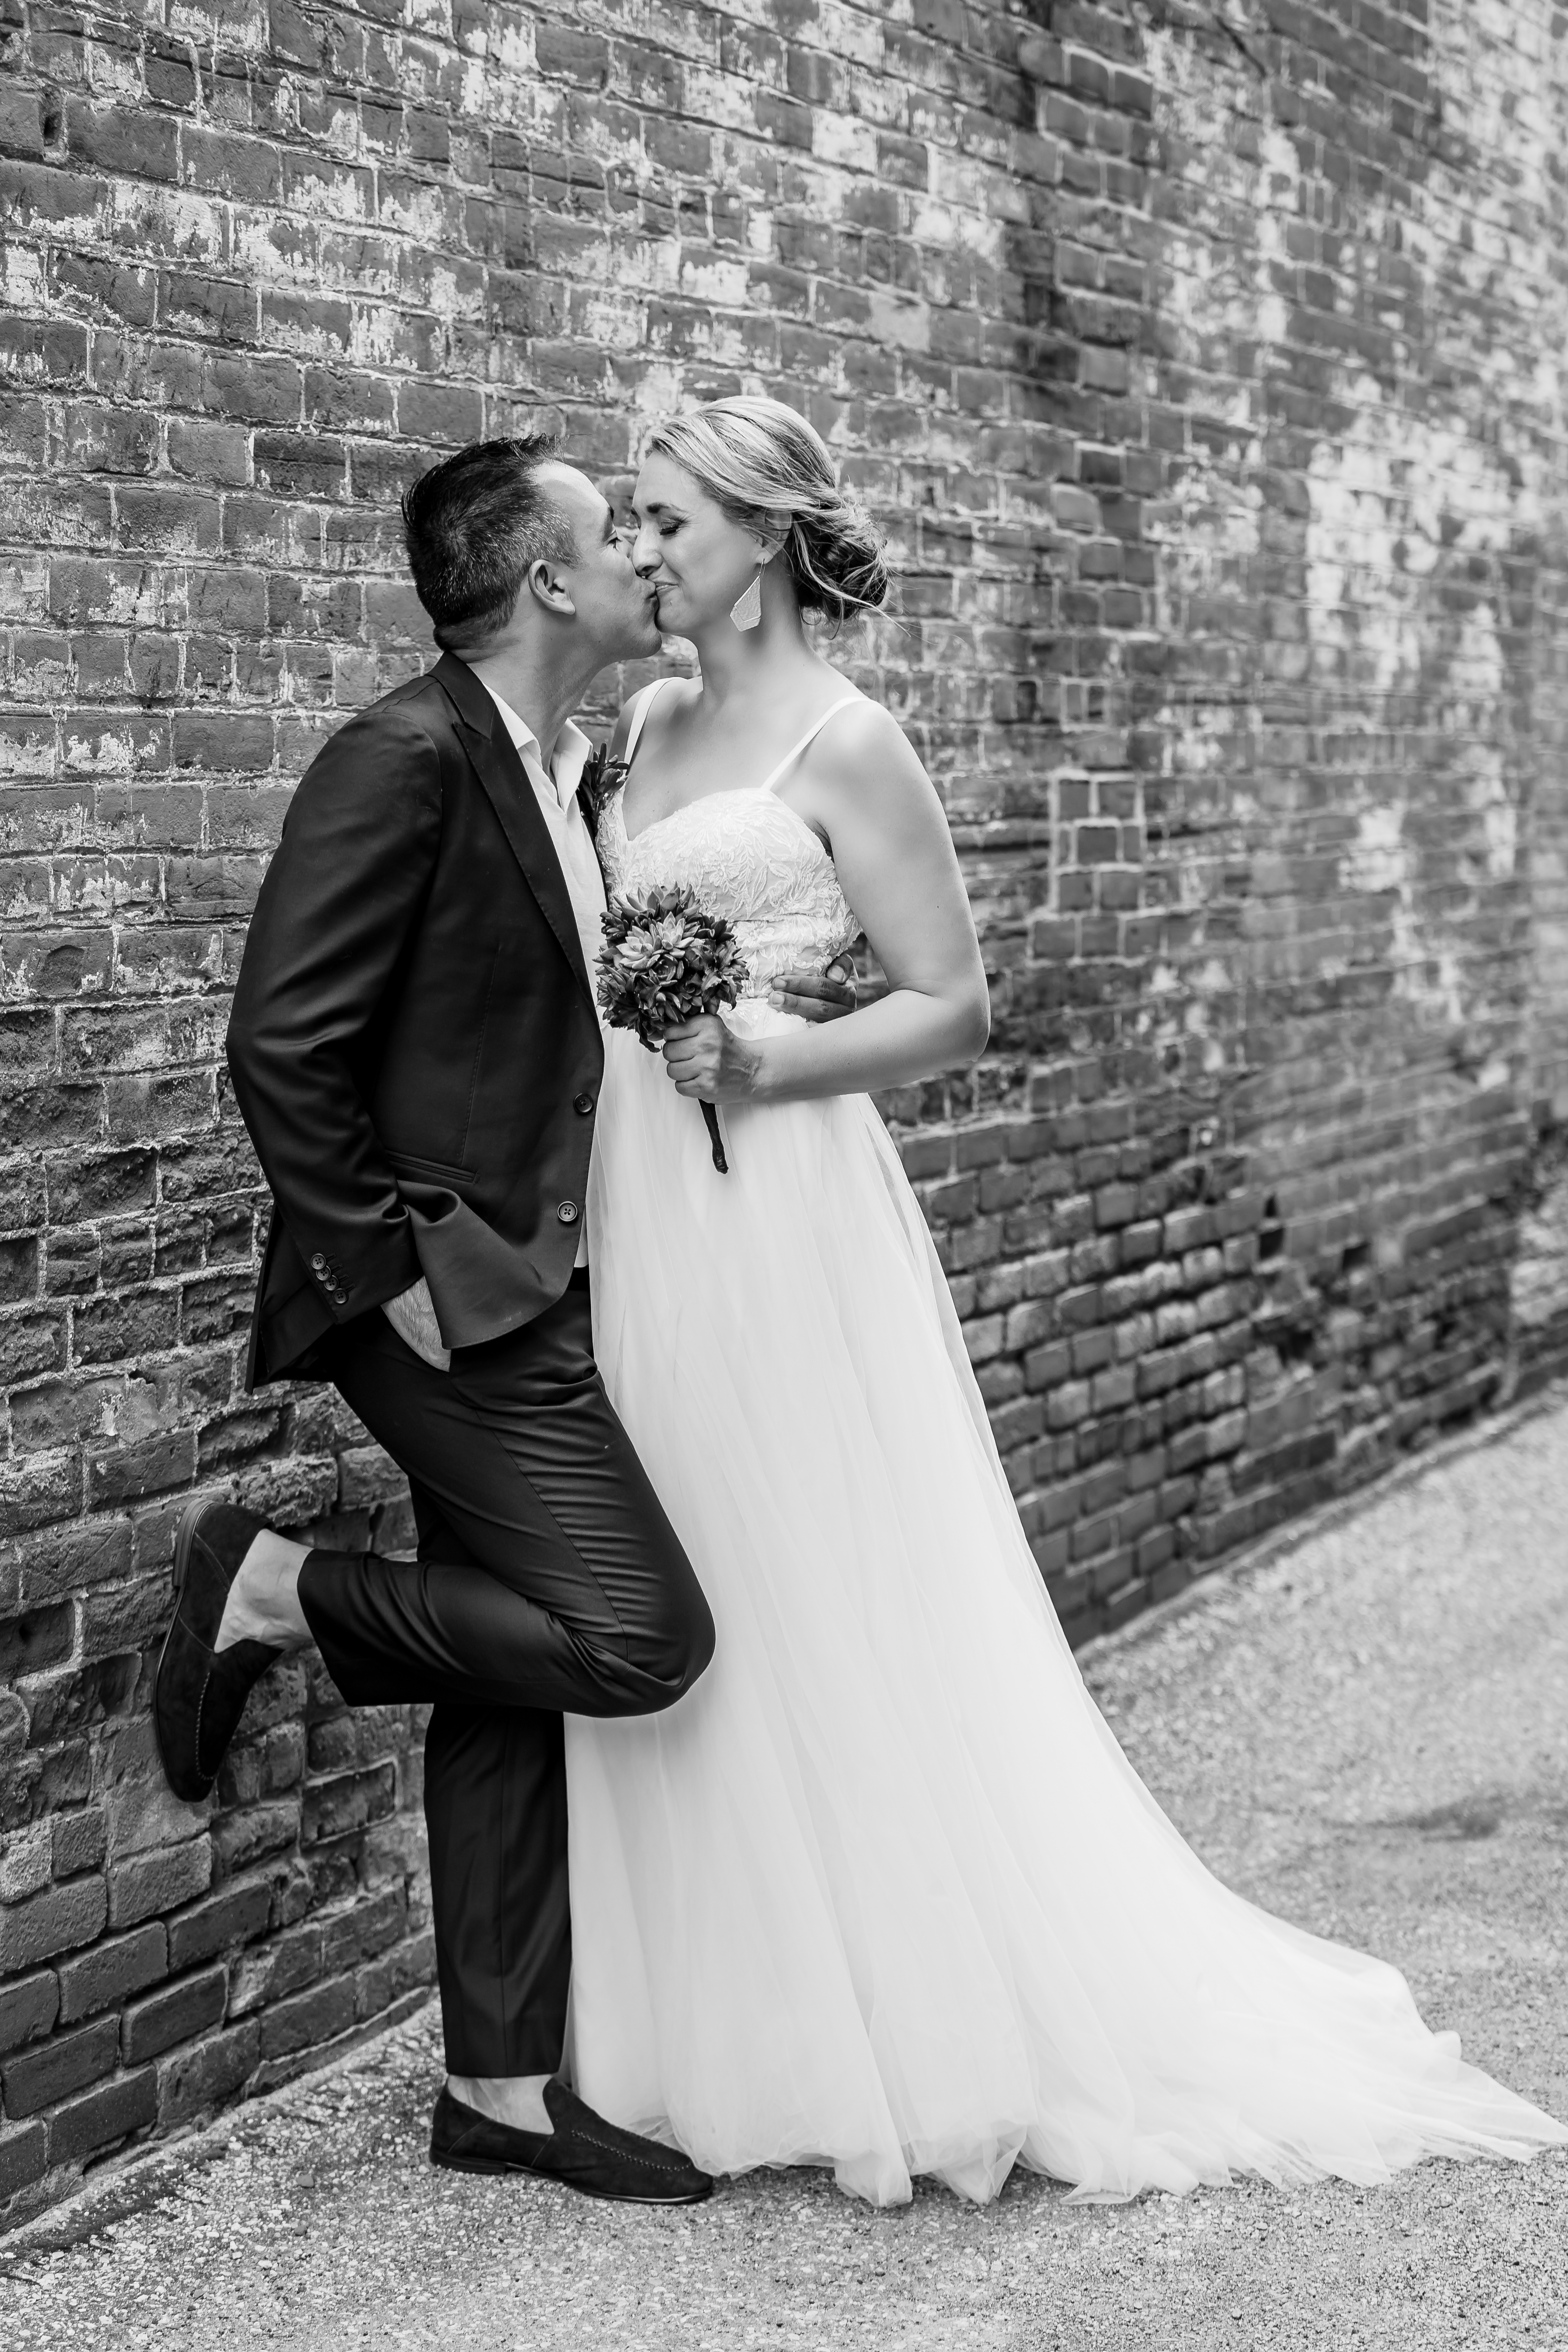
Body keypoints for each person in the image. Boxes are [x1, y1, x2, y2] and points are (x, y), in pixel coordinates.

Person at [562, 394, 1568, 2207]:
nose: (640, 554)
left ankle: (914, 2018)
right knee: (694, 1564)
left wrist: (760, 1063)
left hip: (785, 1202)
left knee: (828, 1582)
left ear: (767, 534)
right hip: (651, 1207)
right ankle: (737, 2021)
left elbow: (952, 1004)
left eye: (665, 523)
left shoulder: (851, 747)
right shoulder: (636, 725)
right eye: (630, 524)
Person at [153, 433, 852, 2204]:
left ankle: (504, 2089)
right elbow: (281, 1046)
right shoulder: (399, 757)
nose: (640, 550)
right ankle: (274, 1586)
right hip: (446, 1304)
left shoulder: (570, 762)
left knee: (508, 1688)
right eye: (611, 531)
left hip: (548, 1274)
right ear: (545, 580)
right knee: (638, 1637)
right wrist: (403, 1283)